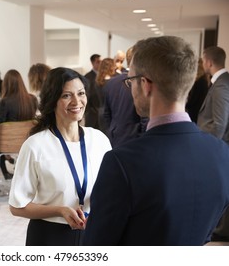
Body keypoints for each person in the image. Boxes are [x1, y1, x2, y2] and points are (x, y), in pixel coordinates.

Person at [83, 36, 229, 246]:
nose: (130, 87)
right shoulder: (222, 153)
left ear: (145, 84)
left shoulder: (122, 163)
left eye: (130, 80)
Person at [9, 67, 112, 246]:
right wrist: (59, 210)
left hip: (93, 232)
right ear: (52, 101)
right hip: (50, 236)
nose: (77, 101)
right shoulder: (35, 146)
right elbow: (17, 206)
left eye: (81, 93)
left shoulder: (99, 140)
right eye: (66, 95)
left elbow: (111, 190)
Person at [197, 46, 229, 242]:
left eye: (203, 60)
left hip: (219, 147)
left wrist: (209, 150)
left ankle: (222, 229)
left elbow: (219, 123)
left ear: (208, 62)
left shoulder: (222, 85)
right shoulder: (221, 83)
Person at [0, 69, 37, 180]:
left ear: (6, 84)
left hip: (7, 143)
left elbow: (0, 125)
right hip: (27, 141)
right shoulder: (32, 99)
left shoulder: (5, 102)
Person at [103, 47, 148, 147]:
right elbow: (145, 116)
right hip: (135, 139)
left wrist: (110, 131)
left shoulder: (111, 83)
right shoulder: (141, 82)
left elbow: (106, 114)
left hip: (114, 138)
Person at [84, 58, 115, 132]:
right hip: (109, 112)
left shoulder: (98, 81)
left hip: (100, 112)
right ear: (111, 67)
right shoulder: (111, 82)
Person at [185, 58, 209, 123]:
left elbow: (194, 99)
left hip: (195, 112)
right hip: (197, 112)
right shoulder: (203, 80)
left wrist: (184, 104)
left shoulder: (200, 82)